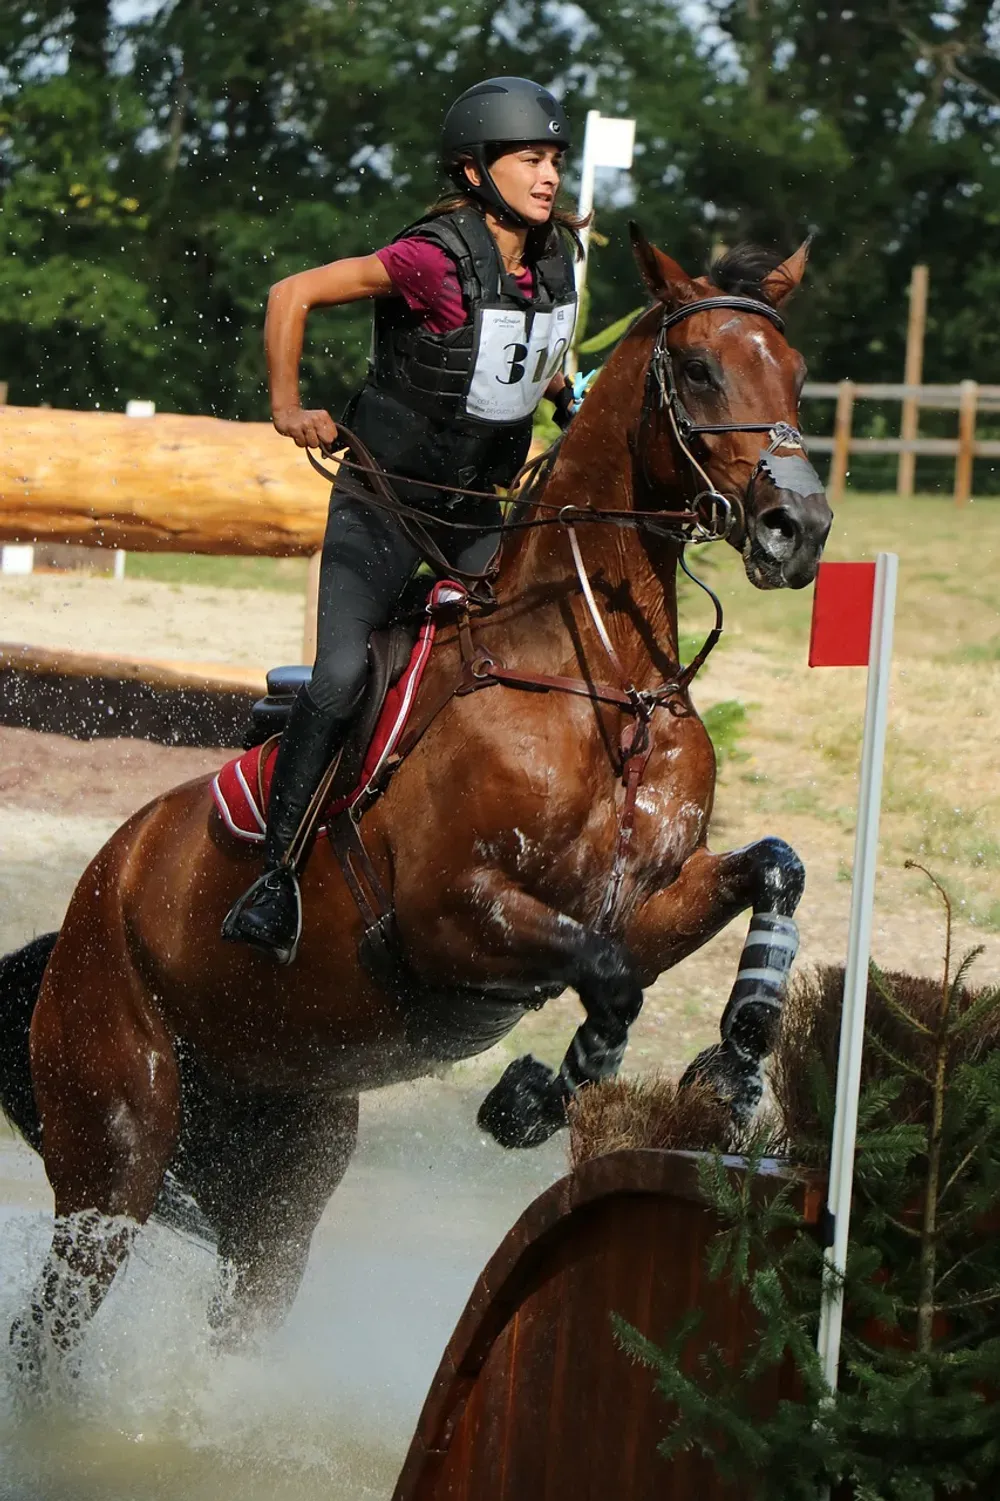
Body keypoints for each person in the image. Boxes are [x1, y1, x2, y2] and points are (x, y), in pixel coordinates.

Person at [222, 76, 584, 964]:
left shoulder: (556, 256)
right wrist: (286, 404)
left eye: (553, 160)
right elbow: (289, 293)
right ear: (475, 169)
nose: (547, 176)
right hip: (383, 506)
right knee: (344, 674)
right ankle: (275, 878)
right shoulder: (430, 257)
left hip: (473, 512)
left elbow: (527, 355)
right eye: (529, 159)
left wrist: (566, 391)